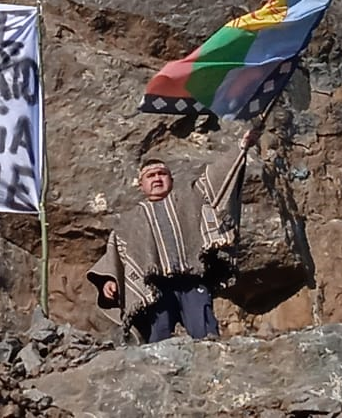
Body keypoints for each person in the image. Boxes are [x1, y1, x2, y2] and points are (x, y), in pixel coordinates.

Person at [86, 127, 261, 343]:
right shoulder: (130, 221)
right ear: (141, 185)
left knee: (206, 335)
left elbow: (218, 176)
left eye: (162, 174)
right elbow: (117, 255)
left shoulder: (191, 198)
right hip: (155, 289)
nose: (157, 179)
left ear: (171, 179)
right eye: (151, 176)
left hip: (192, 278)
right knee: (157, 342)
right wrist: (110, 282)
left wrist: (241, 146)